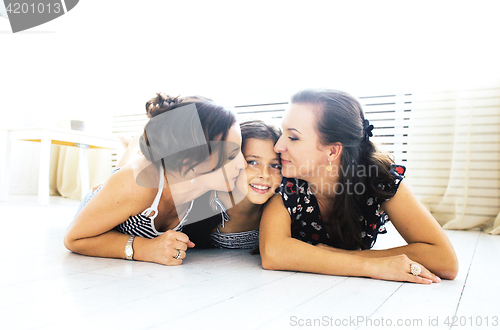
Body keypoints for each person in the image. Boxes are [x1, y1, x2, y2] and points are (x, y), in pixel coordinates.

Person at [259, 89, 459, 284]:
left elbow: (445, 260)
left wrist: (344, 257)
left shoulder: (378, 178)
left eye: (293, 137)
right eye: (283, 132)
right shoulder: (285, 176)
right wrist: (373, 265)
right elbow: (273, 252)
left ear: (332, 151)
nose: (278, 146)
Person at [64, 93, 246, 266]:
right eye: (231, 155)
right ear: (190, 158)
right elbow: (74, 239)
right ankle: (130, 147)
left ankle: (130, 146)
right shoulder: (136, 183)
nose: (243, 164)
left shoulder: (211, 188)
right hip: (111, 197)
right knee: (129, 171)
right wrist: (145, 249)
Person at [205, 120, 282, 249]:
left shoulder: (281, 207)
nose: (265, 174)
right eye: (253, 162)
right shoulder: (202, 199)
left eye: (274, 165)